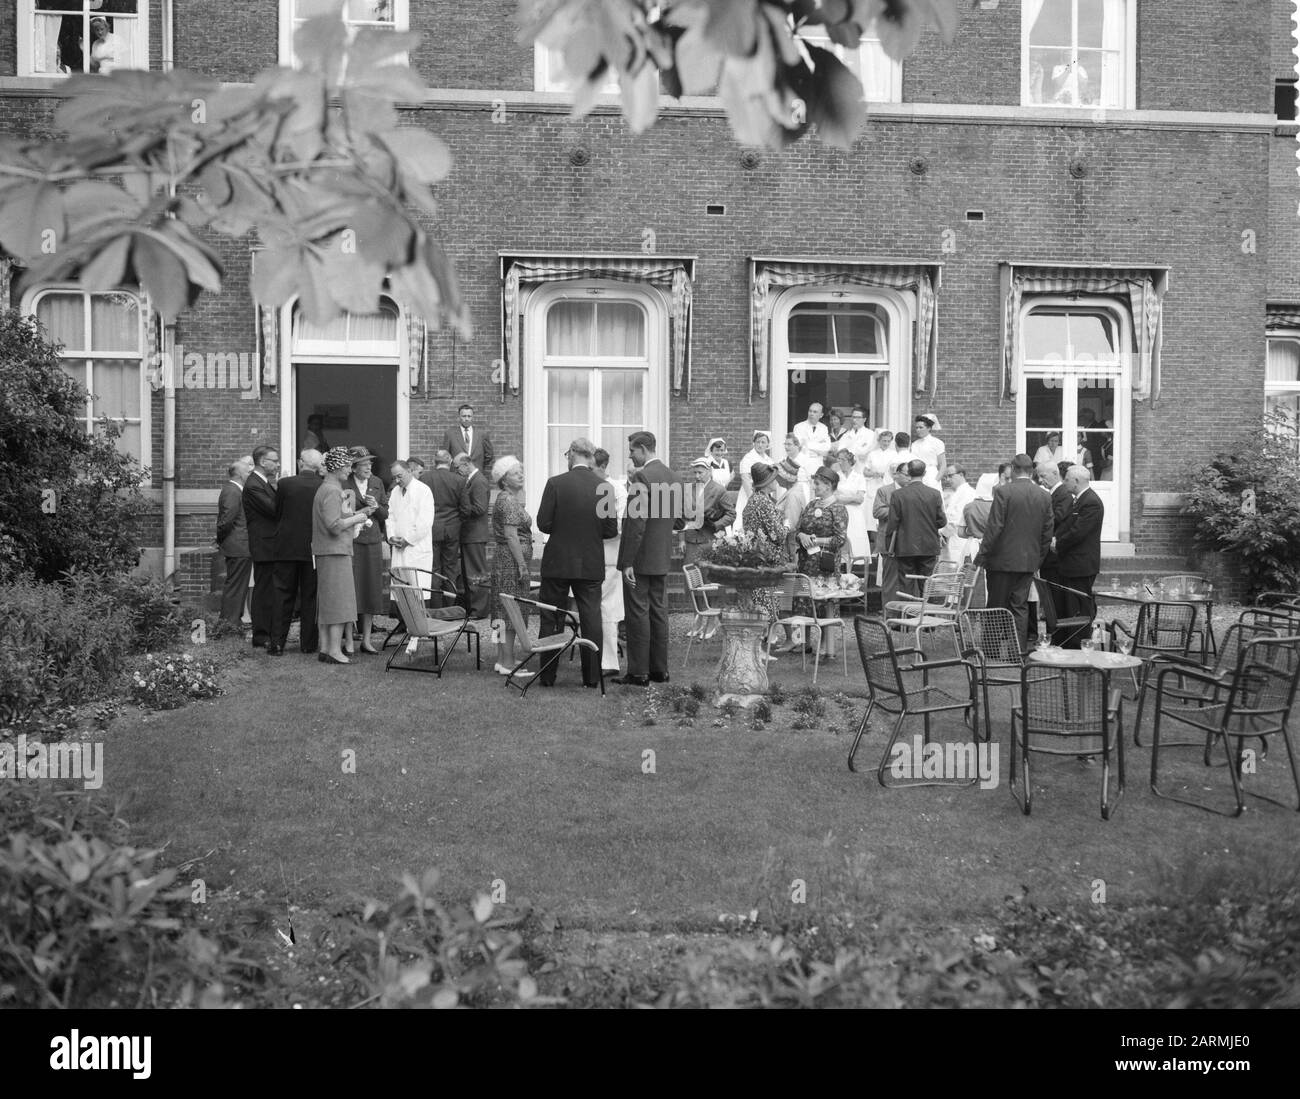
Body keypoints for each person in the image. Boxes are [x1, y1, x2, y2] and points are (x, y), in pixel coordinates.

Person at [536, 438, 618, 688]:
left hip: (558, 560)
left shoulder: (555, 483)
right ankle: (592, 677)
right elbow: (610, 529)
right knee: (591, 617)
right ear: (591, 457)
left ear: (572, 453)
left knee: (551, 617)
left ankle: (548, 675)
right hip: (590, 560)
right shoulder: (603, 487)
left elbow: (543, 524)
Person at [614, 431, 684, 686]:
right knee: (658, 612)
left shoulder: (643, 476)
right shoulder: (673, 476)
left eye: (632, 450)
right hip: (661, 554)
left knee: (637, 613)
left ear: (643, 449)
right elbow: (679, 519)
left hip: (641, 556)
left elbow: (637, 520)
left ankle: (639, 672)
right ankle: (659, 669)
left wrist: (628, 560)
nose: (630, 455)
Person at [974, 454, 1054, 649]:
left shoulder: (1003, 492)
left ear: (1013, 468)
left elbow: (995, 528)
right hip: (1028, 560)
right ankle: (1017, 649)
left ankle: (991, 650)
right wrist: (1038, 558)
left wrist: (982, 555)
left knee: (996, 605)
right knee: (1020, 606)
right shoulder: (1044, 495)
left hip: (1001, 560)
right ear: (1032, 471)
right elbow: (1047, 532)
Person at [313, 447, 378, 664]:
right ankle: (333, 650)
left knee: (331, 601)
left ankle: (326, 648)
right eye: (348, 466)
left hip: (331, 552)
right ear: (339, 466)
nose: (350, 470)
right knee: (339, 603)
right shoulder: (332, 490)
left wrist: (360, 514)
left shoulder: (327, 488)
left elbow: (337, 520)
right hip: (335, 552)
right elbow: (334, 525)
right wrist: (358, 518)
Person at [270, 449, 323, 656]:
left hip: (287, 546)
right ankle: (308, 644)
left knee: (282, 594)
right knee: (310, 596)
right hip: (312, 548)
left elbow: (278, 512)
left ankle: (276, 643)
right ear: (318, 466)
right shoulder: (322, 486)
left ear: (301, 463)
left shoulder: (285, 484)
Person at [793, 466, 848, 660]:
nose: (814, 487)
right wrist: (802, 535)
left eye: (817, 483)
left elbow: (840, 539)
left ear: (828, 485)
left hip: (825, 565)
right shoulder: (810, 505)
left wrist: (816, 540)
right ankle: (802, 642)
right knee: (803, 601)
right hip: (806, 562)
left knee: (825, 603)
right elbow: (797, 529)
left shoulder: (838, 508)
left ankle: (826, 645)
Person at [489, 455, 535, 677]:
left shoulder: (506, 498)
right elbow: (511, 535)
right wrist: (523, 566)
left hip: (504, 560)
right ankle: (507, 663)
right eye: (517, 473)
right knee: (510, 611)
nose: (522, 476)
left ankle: (502, 659)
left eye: (522, 472)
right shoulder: (508, 501)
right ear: (505, 480)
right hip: (510, 562)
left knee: (502, 610)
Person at [1053, 465, 1104, 639]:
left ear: (1076, 481)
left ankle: (1080, 645)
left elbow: (1078, 532)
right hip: (1072, 564)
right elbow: (1069, 525)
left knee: (1079, 608)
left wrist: (1058, 544)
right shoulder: (1079, 500)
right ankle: (1070, 643)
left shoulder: (1091, 502)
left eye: (1066, 480)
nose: (1063, 482)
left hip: (1081, 565)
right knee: (1070, 605)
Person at [743, 462, 790, 653]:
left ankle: (764, 646)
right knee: (765, 606)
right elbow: (778, 534)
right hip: (767, 560)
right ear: (766, 482)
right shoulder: (763, 502)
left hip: (756, 558)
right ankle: (759, 651)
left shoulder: (753, 500)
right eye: (773, 479)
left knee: (762, 604)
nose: (776, 482)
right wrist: (787, 526)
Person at [345, 446, 388, 654]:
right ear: (353, 467)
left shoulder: (377, 482)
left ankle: (367, 640)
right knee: (351, 589)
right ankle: (347, 640)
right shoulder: (345, 484)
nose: (368, 467)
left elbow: (385, 514)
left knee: (370, 589)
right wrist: (361, 511)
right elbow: (341, 515)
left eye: (370, 463)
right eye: (364, 464)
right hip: (351, 542)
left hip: (372, 542)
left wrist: (377, 507)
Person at [888, 458, 947, 597]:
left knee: (906, 584)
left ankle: (908, 616)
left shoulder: (898, 495)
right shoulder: (934, 494)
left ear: (908, 473)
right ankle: (927, 615)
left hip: (905, 545)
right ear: (925, 473)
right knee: (927, 583)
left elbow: (892, 523)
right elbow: (942, 521)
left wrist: (890, 545)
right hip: (928, 545)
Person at [241, 444, 280, 649]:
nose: (278, 464)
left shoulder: (263, 482)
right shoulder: (254, 484)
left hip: (270, 544)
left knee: (269, 589)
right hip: (264, 545)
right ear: (263, 462)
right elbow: (273, 509)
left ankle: (269, 631)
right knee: (263, 590)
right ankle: (261, 634)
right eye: (274, 460)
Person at [594, 448, 628, 677]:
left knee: (608, 609)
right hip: (592, 556)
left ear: (602, 466)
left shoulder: (616, 489)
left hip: (609, 556)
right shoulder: (592, 487)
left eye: (592, 468)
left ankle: (609, 662)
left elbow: (620, 526)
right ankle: (597, 657)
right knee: (596, 608)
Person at [387, 459, 435, 612]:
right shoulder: (395, 491)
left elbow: (425, 522)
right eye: (394, 477)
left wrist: (408, 540)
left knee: (417, 589)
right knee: (402, 589)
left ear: (409, 471)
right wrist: (391, 536)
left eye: (399, 476)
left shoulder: (423, 490)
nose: (397, 480)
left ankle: (420, 628)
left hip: (416, 547)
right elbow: (391, 516)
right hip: (399, 546)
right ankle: (406, 624)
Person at [419, 449, 465, 609]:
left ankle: (435, 606)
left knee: (434, 567)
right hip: (452, 528)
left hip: (432, 528)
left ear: (434, 461)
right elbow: (465, 508)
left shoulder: (424, 478)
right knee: (451, 567)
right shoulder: (459, 480)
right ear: (450, 461)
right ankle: (450, 606)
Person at [453, 452, 492, 622]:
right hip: (470, 534)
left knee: (476, 573)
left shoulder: (479, 481)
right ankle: (474, 608)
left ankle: (480, 609)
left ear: (467, 463)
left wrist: (461, 508)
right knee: (470, 572)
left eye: (457, 467)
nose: (456, 471)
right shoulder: (472, 480)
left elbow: (480, 508)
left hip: (474, 534)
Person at [216, 455, 253, 630]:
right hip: (238, 546)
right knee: (236, 586)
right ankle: (229, 624)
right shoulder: (232, 491)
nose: (250, 473)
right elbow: (227, 520)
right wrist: (221, 539)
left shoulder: (235, 490)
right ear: (238, 474)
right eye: (247, 471)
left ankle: (232, 621)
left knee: (238, 586)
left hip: (238, 546)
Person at [1036, 460, 1075, 621]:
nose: (1040, 480)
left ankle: (1055, 634)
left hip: (1054, 557)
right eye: (1038, 477)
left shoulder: (1063, 494)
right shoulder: (1052, 493)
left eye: (1043, 476)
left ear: (1055, 473)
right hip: (1048, 555)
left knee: (1054, 599)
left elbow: (1057, 517)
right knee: (1049, 599)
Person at [682, 457, 735, 568]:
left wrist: (715, 525)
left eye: (700, 473)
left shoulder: (719, 490)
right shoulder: (688, 489)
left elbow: (731, 514)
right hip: (691, 540)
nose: (697, 476)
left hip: (710, 539)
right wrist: (681, 539)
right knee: (691, 574)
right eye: (695, 473)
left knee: (708, 577)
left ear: (709, 471)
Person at [873, 462, 909, 604]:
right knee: (890, 581)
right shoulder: (884, 491)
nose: (909, 478)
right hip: (889, 541)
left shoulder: (913, 491)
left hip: (908, 542)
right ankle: (889, 614)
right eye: (906, 475)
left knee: (907, 581)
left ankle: (904, 614)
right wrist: (897, 510)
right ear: (897, 474)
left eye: (911, 475)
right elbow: (877, 511)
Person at [734, 430, 772, 534]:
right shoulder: (748, 458)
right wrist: (753, 499)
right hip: (749, 493)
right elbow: (745, 480)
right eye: (758, 442)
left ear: (768, 444)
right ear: (754, 443)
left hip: (764, 494)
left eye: (763, 442)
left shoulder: (769, 460)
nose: (760, 445)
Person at [834, 448, 869, 561]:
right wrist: (852, 498)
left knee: (855, 538)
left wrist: (843, 498)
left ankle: (858, 564)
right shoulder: (836, 477)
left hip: (855, 513)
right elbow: (834, 497)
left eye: (842, 459)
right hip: (839, 512)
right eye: (838, 459)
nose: (839, 462)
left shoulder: (859, 477)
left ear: (849, 461)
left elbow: (860, 499)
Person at [940, 462, 976, 564]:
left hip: (961, 540)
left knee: (959, 573)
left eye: (950, 476)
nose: (947, 480)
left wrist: (941, 533)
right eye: (945, 477)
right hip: (956, 539)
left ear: (961, 475)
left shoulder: (966, 493)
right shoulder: (958, 493)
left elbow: (955, 520)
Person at [445, 402, 493, 472]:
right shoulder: (450, 434)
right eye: (464, 416)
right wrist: (455, 465)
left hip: (476, 473)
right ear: (459, 417)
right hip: (457, 474)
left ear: (472, 417)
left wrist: (478, 464)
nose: (466, 419)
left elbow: (489, 455)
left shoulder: (482, 434)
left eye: (469, 416)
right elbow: (446, 456)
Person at [911, 415, 945, 488]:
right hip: (917, 477)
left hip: (932, 476)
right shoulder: (914, 444)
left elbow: (943, 465)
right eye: (916, 427)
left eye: (921, 427)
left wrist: (935, 481)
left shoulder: (937, 443)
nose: (918, 430)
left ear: (929, 428)